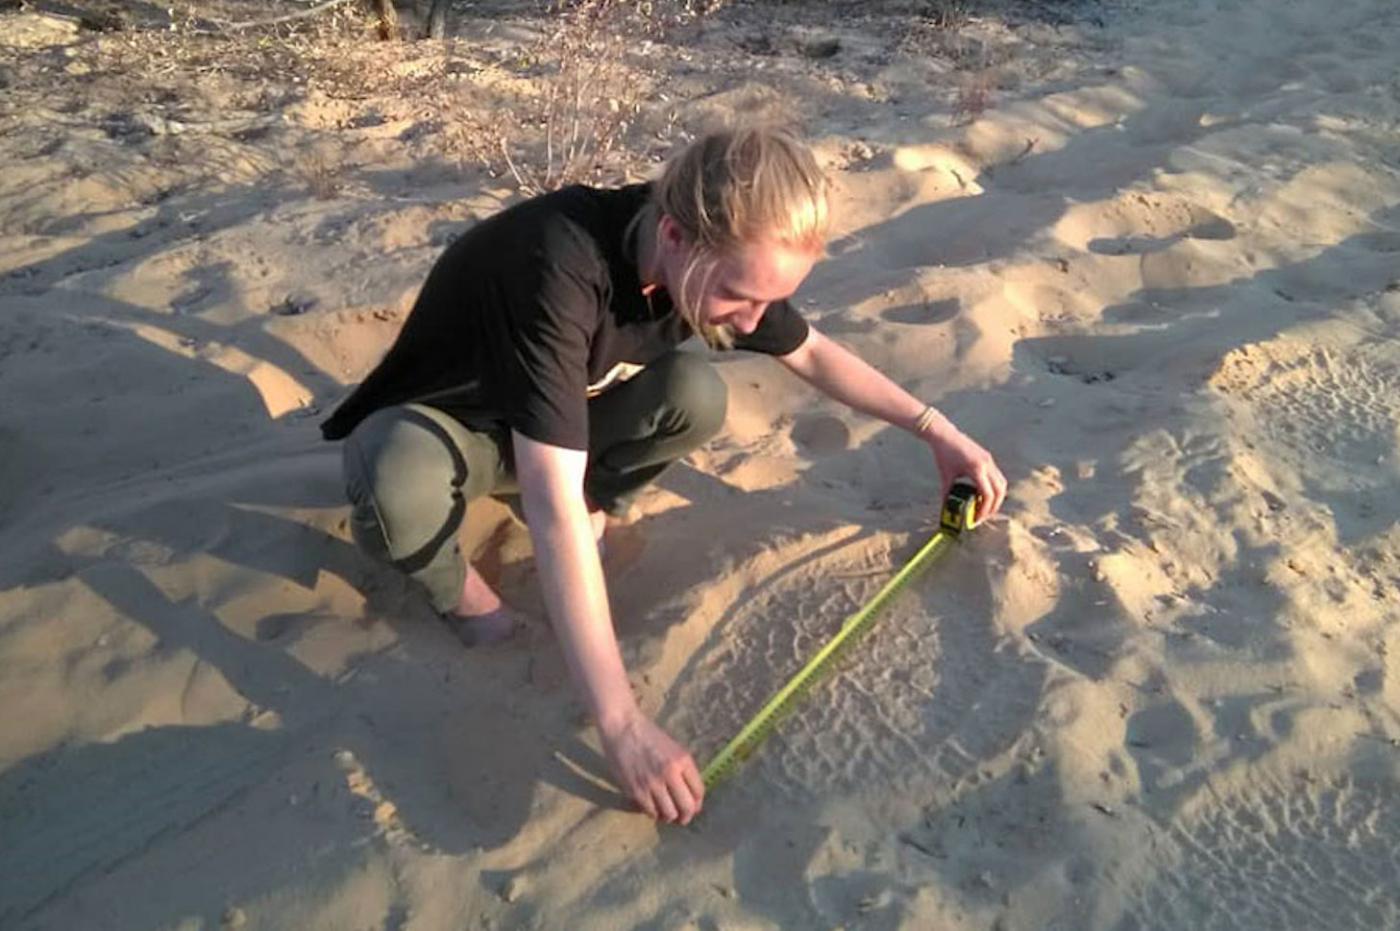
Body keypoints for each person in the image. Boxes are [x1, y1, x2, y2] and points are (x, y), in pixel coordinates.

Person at [321, 126, 1007, 826]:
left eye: (769, 300)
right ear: (676, 236)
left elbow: (815, 355)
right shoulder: (557, 266)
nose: (753, 318)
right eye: (742, 297)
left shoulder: (712, 264)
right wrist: (621, 725)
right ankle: (467, 603)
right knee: (394, 480)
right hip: (452, 431)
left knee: (693, 392)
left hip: (558, 425)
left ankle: (604, 506)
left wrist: (938, 432)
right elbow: (550, 501)